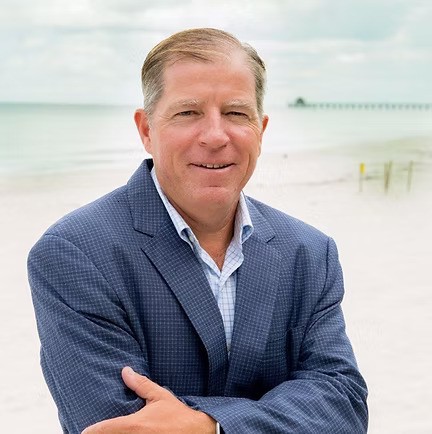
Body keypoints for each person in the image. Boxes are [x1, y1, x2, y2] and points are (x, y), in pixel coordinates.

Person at [28, 28, 368, 433]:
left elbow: (344, 404)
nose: (214, 136)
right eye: (188, 112)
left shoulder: (310, 253)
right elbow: (116, 426)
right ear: (146, 130)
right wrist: (284, 410)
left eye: (236, 113)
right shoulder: (75, 253)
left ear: (261, 129)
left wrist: (210, 425)